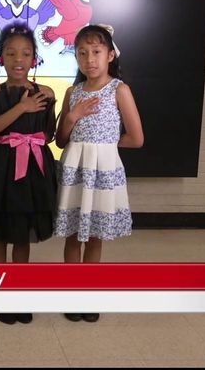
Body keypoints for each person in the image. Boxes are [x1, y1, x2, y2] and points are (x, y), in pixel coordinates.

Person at [0, 24, 57, 325]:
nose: (19, 58)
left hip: (32, 169)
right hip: (1, 168)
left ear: (35, 59)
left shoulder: (47, 92)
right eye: (11, 52)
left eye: (26, 53)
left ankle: (18, 290)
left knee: (23, 231)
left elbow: (49, 134)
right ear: (0, 57)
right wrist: (22, 107)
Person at [54, 24, 143, 323]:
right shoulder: (72, 92)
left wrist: (104, 148)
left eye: (96, 52)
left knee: (94, 236)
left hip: (103, 170)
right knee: (72, 234)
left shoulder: (119, 89)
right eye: (82, 53)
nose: (89, 59)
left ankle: (89, 295)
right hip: (76, 169)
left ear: (110, 55)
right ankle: (71, 294)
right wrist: (73, 116)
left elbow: (136, 137)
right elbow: (61, 139)